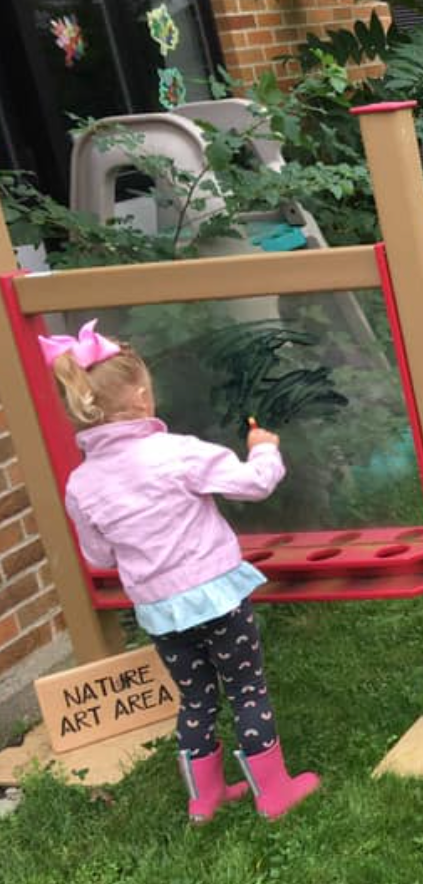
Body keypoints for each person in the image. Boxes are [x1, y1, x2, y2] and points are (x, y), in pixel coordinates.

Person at [39, 320, 320, 823]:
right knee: (246, 688)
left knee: (195, 698)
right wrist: (265, 448)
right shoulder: (176, 452)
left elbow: (100, 557)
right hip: (217, 595)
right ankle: (274, 792)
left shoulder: (81, 484)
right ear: (143, 396)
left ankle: (204, 799)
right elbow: (254, 484)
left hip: (160, 611)